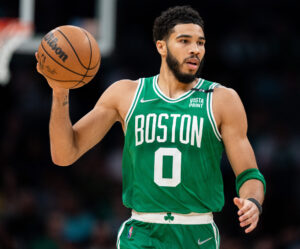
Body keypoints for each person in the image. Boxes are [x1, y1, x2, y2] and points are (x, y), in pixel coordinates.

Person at [36, 5, 266, 249]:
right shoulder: (125, 94)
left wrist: (253, 201)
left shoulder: (222, 99)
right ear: (161, 46)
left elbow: (249, 174)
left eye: (200, 42)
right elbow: (64, 154)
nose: (195, 49)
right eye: (184, 41)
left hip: (197, 233)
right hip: (141, 231)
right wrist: (60, 90)